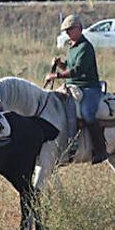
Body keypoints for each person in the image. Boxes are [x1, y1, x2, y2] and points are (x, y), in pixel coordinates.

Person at [45, 14, 108, 164]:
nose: (67, 33)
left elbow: (78, 70)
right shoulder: (72, 47)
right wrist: (60, 64)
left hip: (89, 87)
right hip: (73, 86)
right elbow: (70, 67)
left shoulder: (86, 47)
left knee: (87, 113)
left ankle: (100, 150)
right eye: (66, 31)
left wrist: (56, 75)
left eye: (70, 30)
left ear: (79, 28)